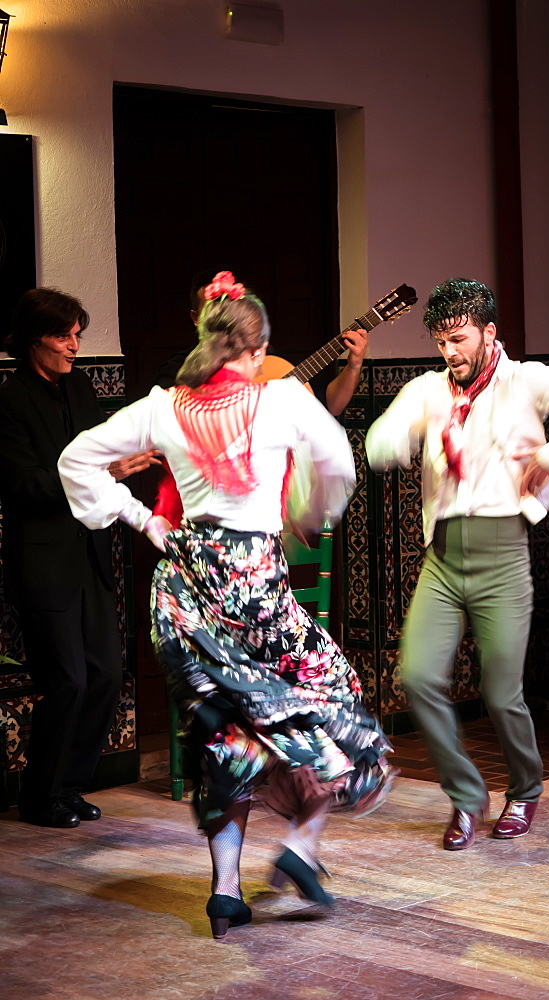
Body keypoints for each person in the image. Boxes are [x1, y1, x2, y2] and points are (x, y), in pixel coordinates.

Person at [58, 272, 392, 938]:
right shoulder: (284, 401)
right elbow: (339, 469)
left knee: (224, 739)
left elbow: (75, 459)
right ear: (257, 345)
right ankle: (300, 847)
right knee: (332, 708)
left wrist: (144, 522)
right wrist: (307, 513)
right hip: (253, 590)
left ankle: (226, 892)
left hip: (184, 597)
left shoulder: (163, 407)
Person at [365, 278, 549, 850]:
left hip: (503, 556)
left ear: (488, 332)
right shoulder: (429, 391)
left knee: (501, 691)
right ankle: (465, 796)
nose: (449, 353)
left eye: (458, 339)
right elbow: (381, 437)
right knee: (416, 678)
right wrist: (398, 438)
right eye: (440, 343)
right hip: (443, 560)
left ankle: (526, 789)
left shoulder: (525, 382)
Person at [0, 288, 159, 828]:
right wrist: (104, 474)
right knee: (67, 679)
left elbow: (101, 455)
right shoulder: (10, 400)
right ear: (33, 341)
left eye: (77, 335)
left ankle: (70, 785)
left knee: (107, 675)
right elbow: (23, 487)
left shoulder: (81, 388)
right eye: (65, 336)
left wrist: (129, 460)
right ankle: (39, 795)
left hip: (89, 554)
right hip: (43, 562)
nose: (74, 346)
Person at [158, 269, 368, 416]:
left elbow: (331, 405)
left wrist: (354, 365)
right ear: (196, 318)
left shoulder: (271, 362)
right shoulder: (178, 369)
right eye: (212, 310)